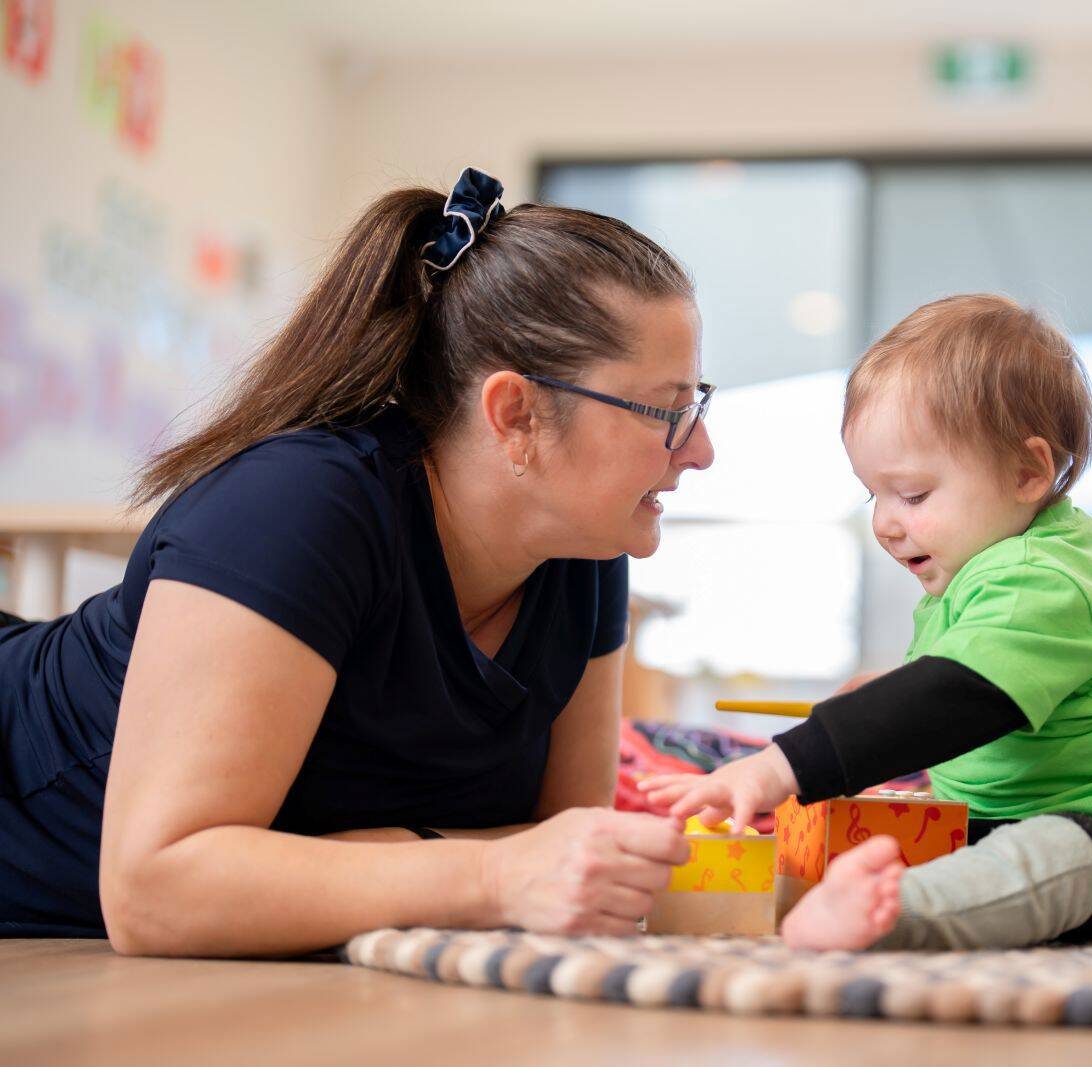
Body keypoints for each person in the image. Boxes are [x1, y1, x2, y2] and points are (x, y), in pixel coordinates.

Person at [0, 168, 710, 956]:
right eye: (667, 411)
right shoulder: (297, 507)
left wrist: (396, 859)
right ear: (517, 415)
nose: (701, 449)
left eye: (697, 405)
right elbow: (155, 888)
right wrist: (487, 875)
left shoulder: (582, 546)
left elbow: (568, 843)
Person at [643, 294, 1092, 951]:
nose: (885, 522)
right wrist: (885, 689)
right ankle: (830, 891)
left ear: (1028, 471)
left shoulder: (1046, 579)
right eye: (873, 494)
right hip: (986, 821)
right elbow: (955, 685)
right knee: (877, 826)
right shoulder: (973, 574)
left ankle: (898, 914)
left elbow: (956, 697)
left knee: (1044, 854)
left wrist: (778, 767)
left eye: (912, 494)